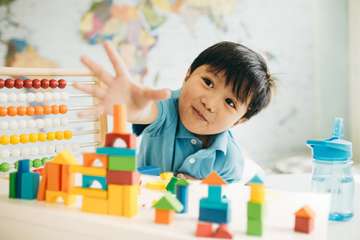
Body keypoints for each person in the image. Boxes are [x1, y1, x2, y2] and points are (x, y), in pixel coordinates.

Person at [74, 41, 275, 183]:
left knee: (255, 175)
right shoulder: (167, 108)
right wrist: (135, 110)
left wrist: (200, 189)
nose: (209, 103)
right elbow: (150, 112)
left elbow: (229, 199)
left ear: (240, 121)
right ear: (188, 74)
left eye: (230, 102)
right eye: (208, 82)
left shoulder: (229, 159)